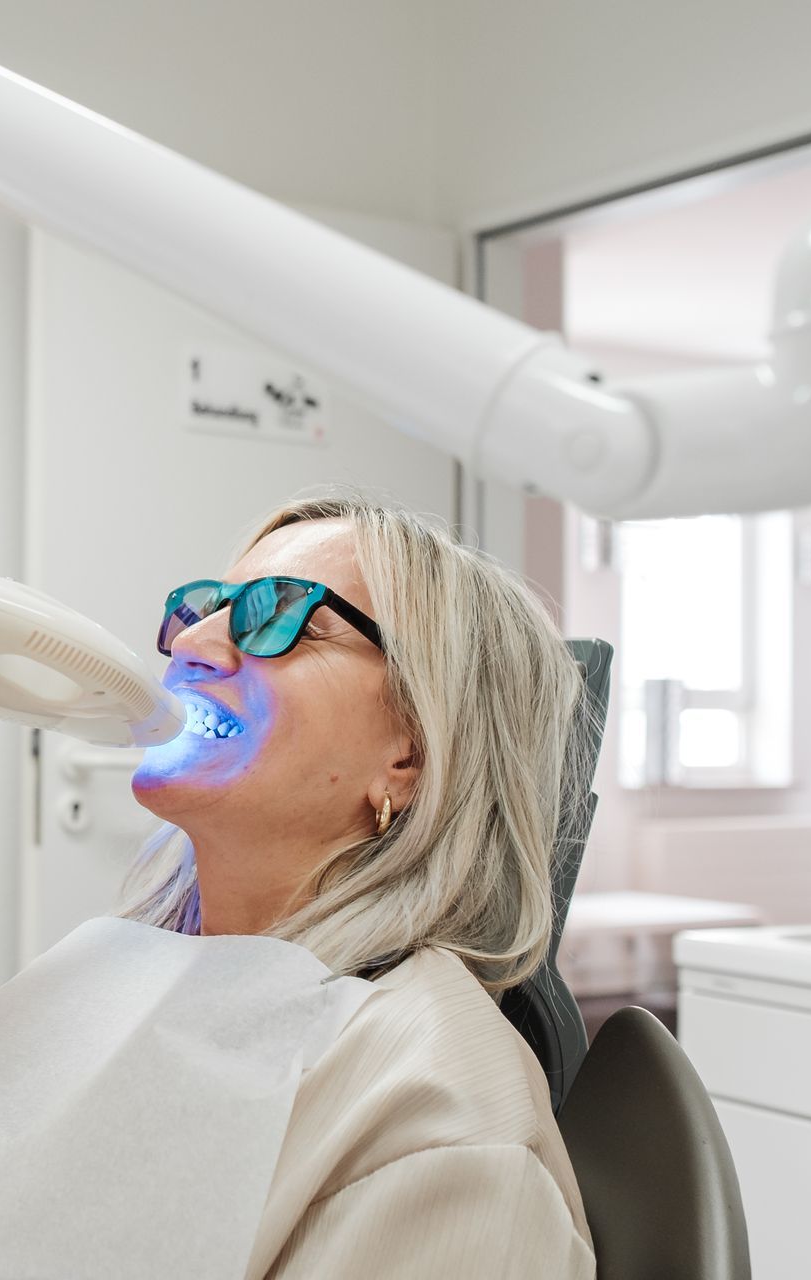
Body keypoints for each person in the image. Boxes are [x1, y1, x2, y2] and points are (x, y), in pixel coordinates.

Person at [122, 494, 595, 1278]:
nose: (195, 646)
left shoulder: (447, 1137)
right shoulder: (138, 976)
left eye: (284, 618)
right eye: (202, 610)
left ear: (410, 754)